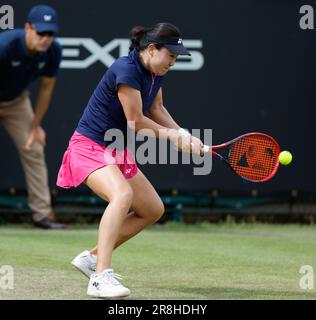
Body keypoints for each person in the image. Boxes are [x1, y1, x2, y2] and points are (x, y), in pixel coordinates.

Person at [57, 22, 204, 298]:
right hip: (88, 146)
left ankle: (91, 259)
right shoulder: (125, 69)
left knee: (152, 209)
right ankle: (100, 277)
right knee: (122, 195)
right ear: (151, 49)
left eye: (175, 57)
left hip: (114, 149)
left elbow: (156, 108)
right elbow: (136, 121)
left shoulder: (154, 72)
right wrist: (174, 139)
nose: (173, 62)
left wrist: (184, 134)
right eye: (170, 55)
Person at [0, 5, 64, 229]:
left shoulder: (53, 51)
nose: (46, 39)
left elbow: (46, 89)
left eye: (50, 34)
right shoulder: (5, 45)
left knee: (34, 148)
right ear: (27, 28)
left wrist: (36, 126)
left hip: (16, 102)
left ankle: (42, 215)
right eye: (41, 32)